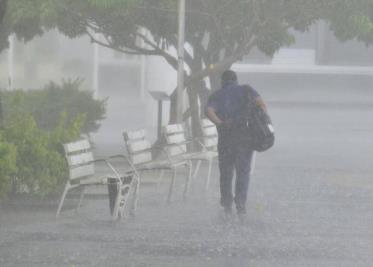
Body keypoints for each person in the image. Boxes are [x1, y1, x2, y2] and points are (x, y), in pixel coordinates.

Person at [205, 70, 266, 219]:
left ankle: (227, 204)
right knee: (243, 173)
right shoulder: (246, 90)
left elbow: (209, 111)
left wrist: (220, 123)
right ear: (236, 80)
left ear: (222, 81)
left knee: (226, 173)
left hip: (226, 139)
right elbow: (262, 105)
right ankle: (240, 205)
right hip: (245, 139)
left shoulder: (217, 95)